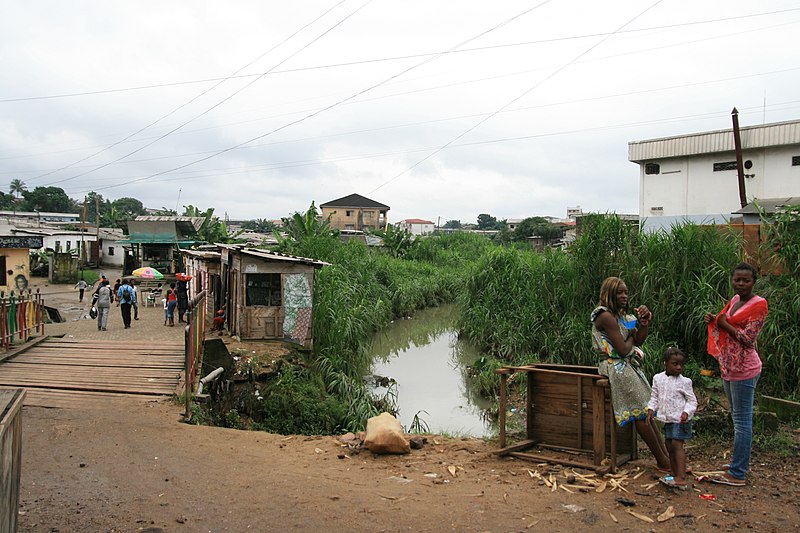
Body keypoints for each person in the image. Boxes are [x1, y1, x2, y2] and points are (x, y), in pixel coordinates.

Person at [591, 276, 670, 471]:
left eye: (626, 292)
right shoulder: (605, 316)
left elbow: (638, 339)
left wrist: (643, 324)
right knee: (641, 413)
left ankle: (666, 458)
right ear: (608, 294)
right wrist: (632, 340)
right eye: (619, 292)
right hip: (615, 366)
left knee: (646, 411)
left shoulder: (622, 317)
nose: (624, 296)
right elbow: (623, 349)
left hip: (626, 366)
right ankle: (663, 461)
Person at [704, 262, 768, 487]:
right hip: (729, 367)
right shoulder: (734, 301)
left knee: (742, 422)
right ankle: (737, 463)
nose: (740, 283)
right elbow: (727, 324)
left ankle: (738, 473)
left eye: (746, 280)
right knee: (737, 418)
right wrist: (715, 321)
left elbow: (748, 339)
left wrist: (724, 324)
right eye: (737, 279)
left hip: (744, 369)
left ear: (754, 282)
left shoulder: (759, 305)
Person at [647, 347, 697, 489]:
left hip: (680, 419)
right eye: (675, 364)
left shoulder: (685, 382)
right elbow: (654, 396)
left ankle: (681, 477)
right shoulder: (658, 378)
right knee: (669, 445)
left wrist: (687, 412)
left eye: (681, 364)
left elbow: (692, 400)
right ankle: (674, 474)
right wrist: (651, 409)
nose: (679, 367)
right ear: (666, 363)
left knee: (677, 445)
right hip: (667, 419)